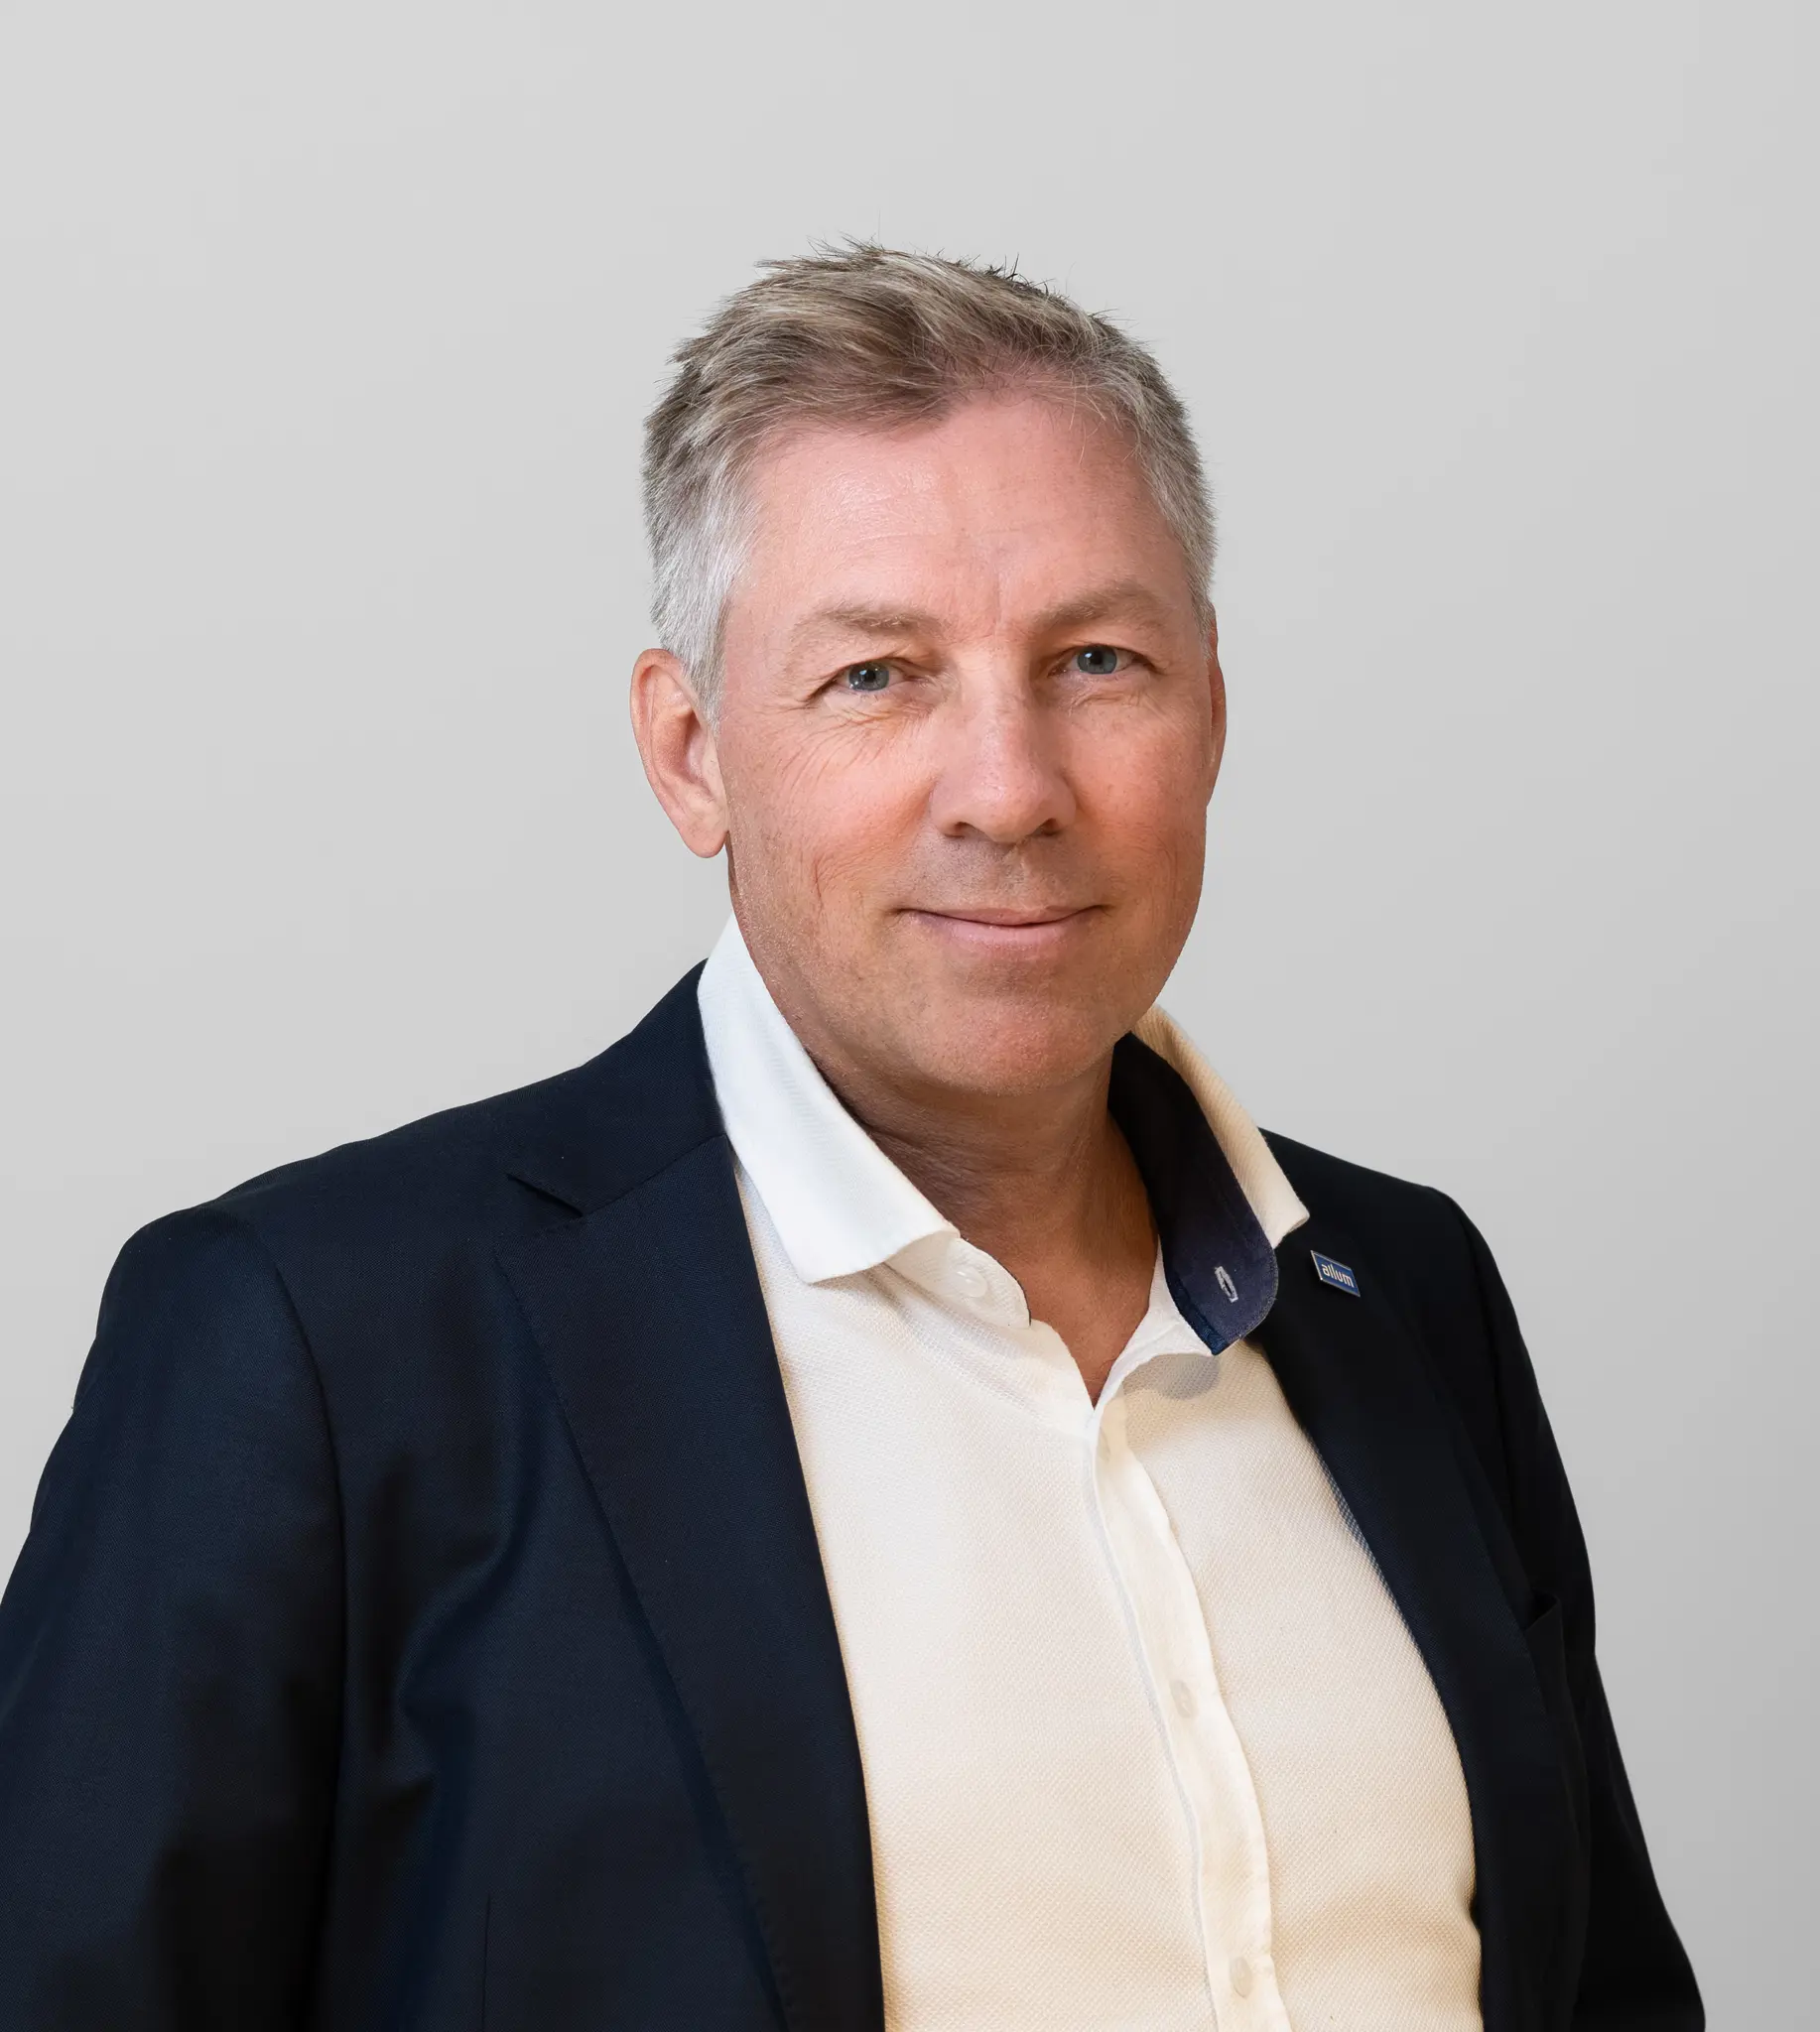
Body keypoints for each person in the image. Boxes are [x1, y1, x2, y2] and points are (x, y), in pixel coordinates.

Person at [0, 246, 1700, 2031]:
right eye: (880, 675)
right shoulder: (322, 1348)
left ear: (1210, 711)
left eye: (1097, 661)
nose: (1009, 789)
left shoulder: (1402, 1292)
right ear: (690, 753)